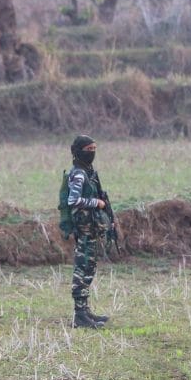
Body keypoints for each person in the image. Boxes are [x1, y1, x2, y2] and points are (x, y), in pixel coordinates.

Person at [65, 135, 112, 329]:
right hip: (84, 229)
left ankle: (85, 311)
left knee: (89, 268)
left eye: (95, 148)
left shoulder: (88, 172)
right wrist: (97, 203)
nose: (92, 152)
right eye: (89, 149)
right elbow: (72, 200)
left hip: (91, 229)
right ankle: (80, 315)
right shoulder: (78, 174)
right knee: (82, 268)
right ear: (79, 151)